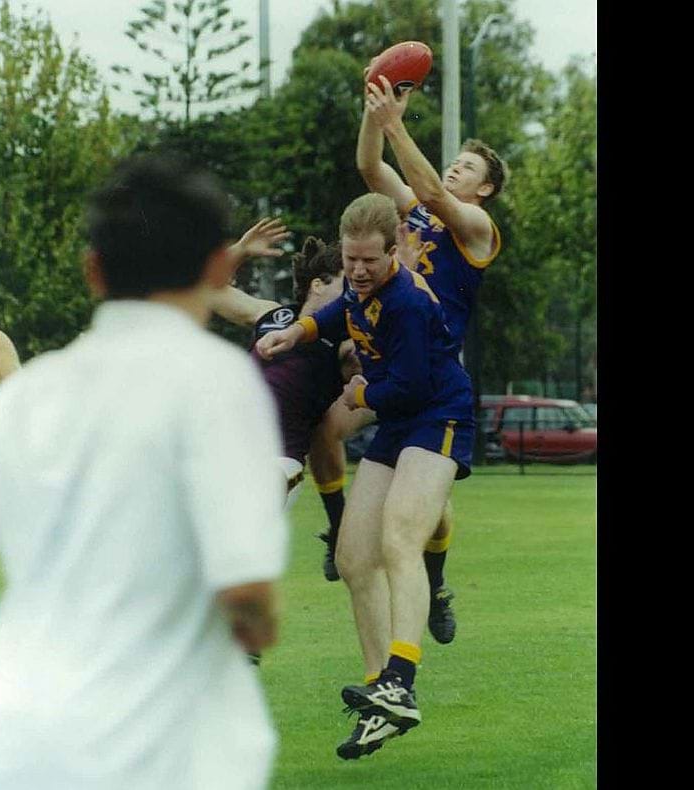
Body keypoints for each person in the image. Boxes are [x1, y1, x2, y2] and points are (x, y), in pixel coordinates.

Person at [0, 154, 289, 789]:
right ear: (216, 265)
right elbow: (247, 594)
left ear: (92, 270)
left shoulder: (25, 395)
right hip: (159, 748)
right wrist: (256, 625)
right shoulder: (214, 380)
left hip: (14, 739)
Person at [257, 193, 476, 760]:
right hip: (402, 422)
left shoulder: (404, 300)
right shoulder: (360, 288)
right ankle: (382, 697)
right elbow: (336, 313)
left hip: (437, 414)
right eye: (350, 260)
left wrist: (359, 393)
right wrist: (296, 332)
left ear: (393, 253)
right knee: (355, 558)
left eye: (369, 262)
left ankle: (401, 678)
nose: (356, 272)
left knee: (399, 538)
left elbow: (409, 387)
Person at [353, 71, 510, 644]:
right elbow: (373, 169)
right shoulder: (417, 212)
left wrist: (397, 121)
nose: (454, 168)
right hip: (386, 361)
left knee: (421, 507)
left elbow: (435, 194)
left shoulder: (476, 227)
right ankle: (335, 526)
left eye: (468, 167)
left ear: (485, 189)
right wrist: (375, 112)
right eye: (455, 161)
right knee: (333, 420)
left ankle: (434, 581)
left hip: (434, 371)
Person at [211, 231, 360, 578]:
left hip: (280, 465)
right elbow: (206, 290)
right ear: (318, 285)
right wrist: (239, 252)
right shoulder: (272, 315)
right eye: (347, 284)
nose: (355, 295)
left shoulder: (343, 343)